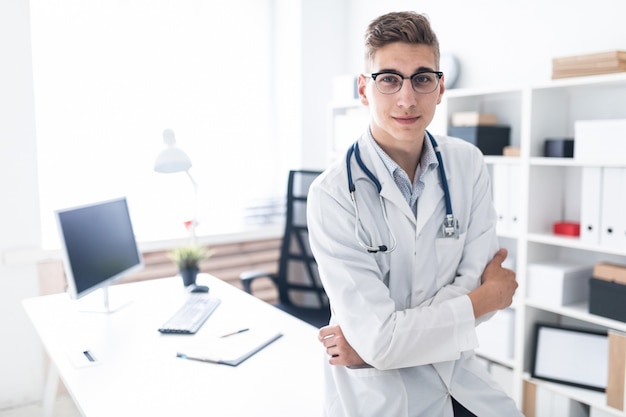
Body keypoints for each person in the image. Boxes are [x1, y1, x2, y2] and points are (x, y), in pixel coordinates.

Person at [306, 11, 522, 417]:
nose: (407, 99)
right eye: (389, 79)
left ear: (439, 88)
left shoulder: (468, 164)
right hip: (382, 400)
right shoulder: (332, 195)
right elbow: (486, 296)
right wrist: (478, 299)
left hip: (460, 383)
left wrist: (376, 345)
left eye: (422, 78)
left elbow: (381, 343)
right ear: (364, 90)